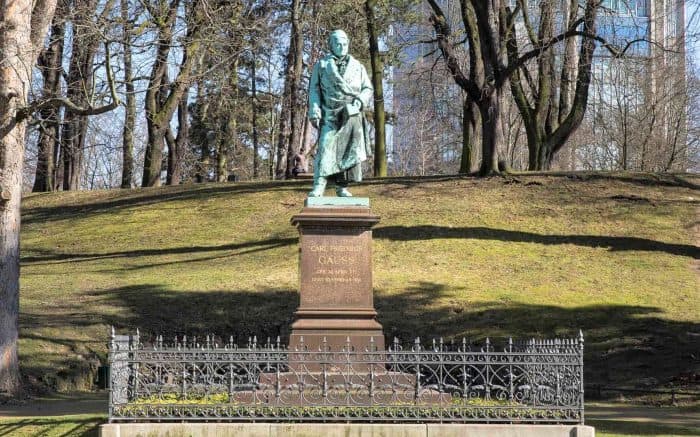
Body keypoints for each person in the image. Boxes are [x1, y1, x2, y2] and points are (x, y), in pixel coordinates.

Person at [307, 29, 373, 197]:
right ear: (331, 45)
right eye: (338, 44)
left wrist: (360, 101)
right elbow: (314, 91)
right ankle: (319, 185)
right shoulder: (321, 66)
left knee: (347, 150)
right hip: (329, 113)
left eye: (344, 44)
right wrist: (314, 109)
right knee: (325, 147)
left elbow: (367, 88)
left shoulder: (358, 67)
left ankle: (341, 187)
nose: (342, 47)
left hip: (350, 114)